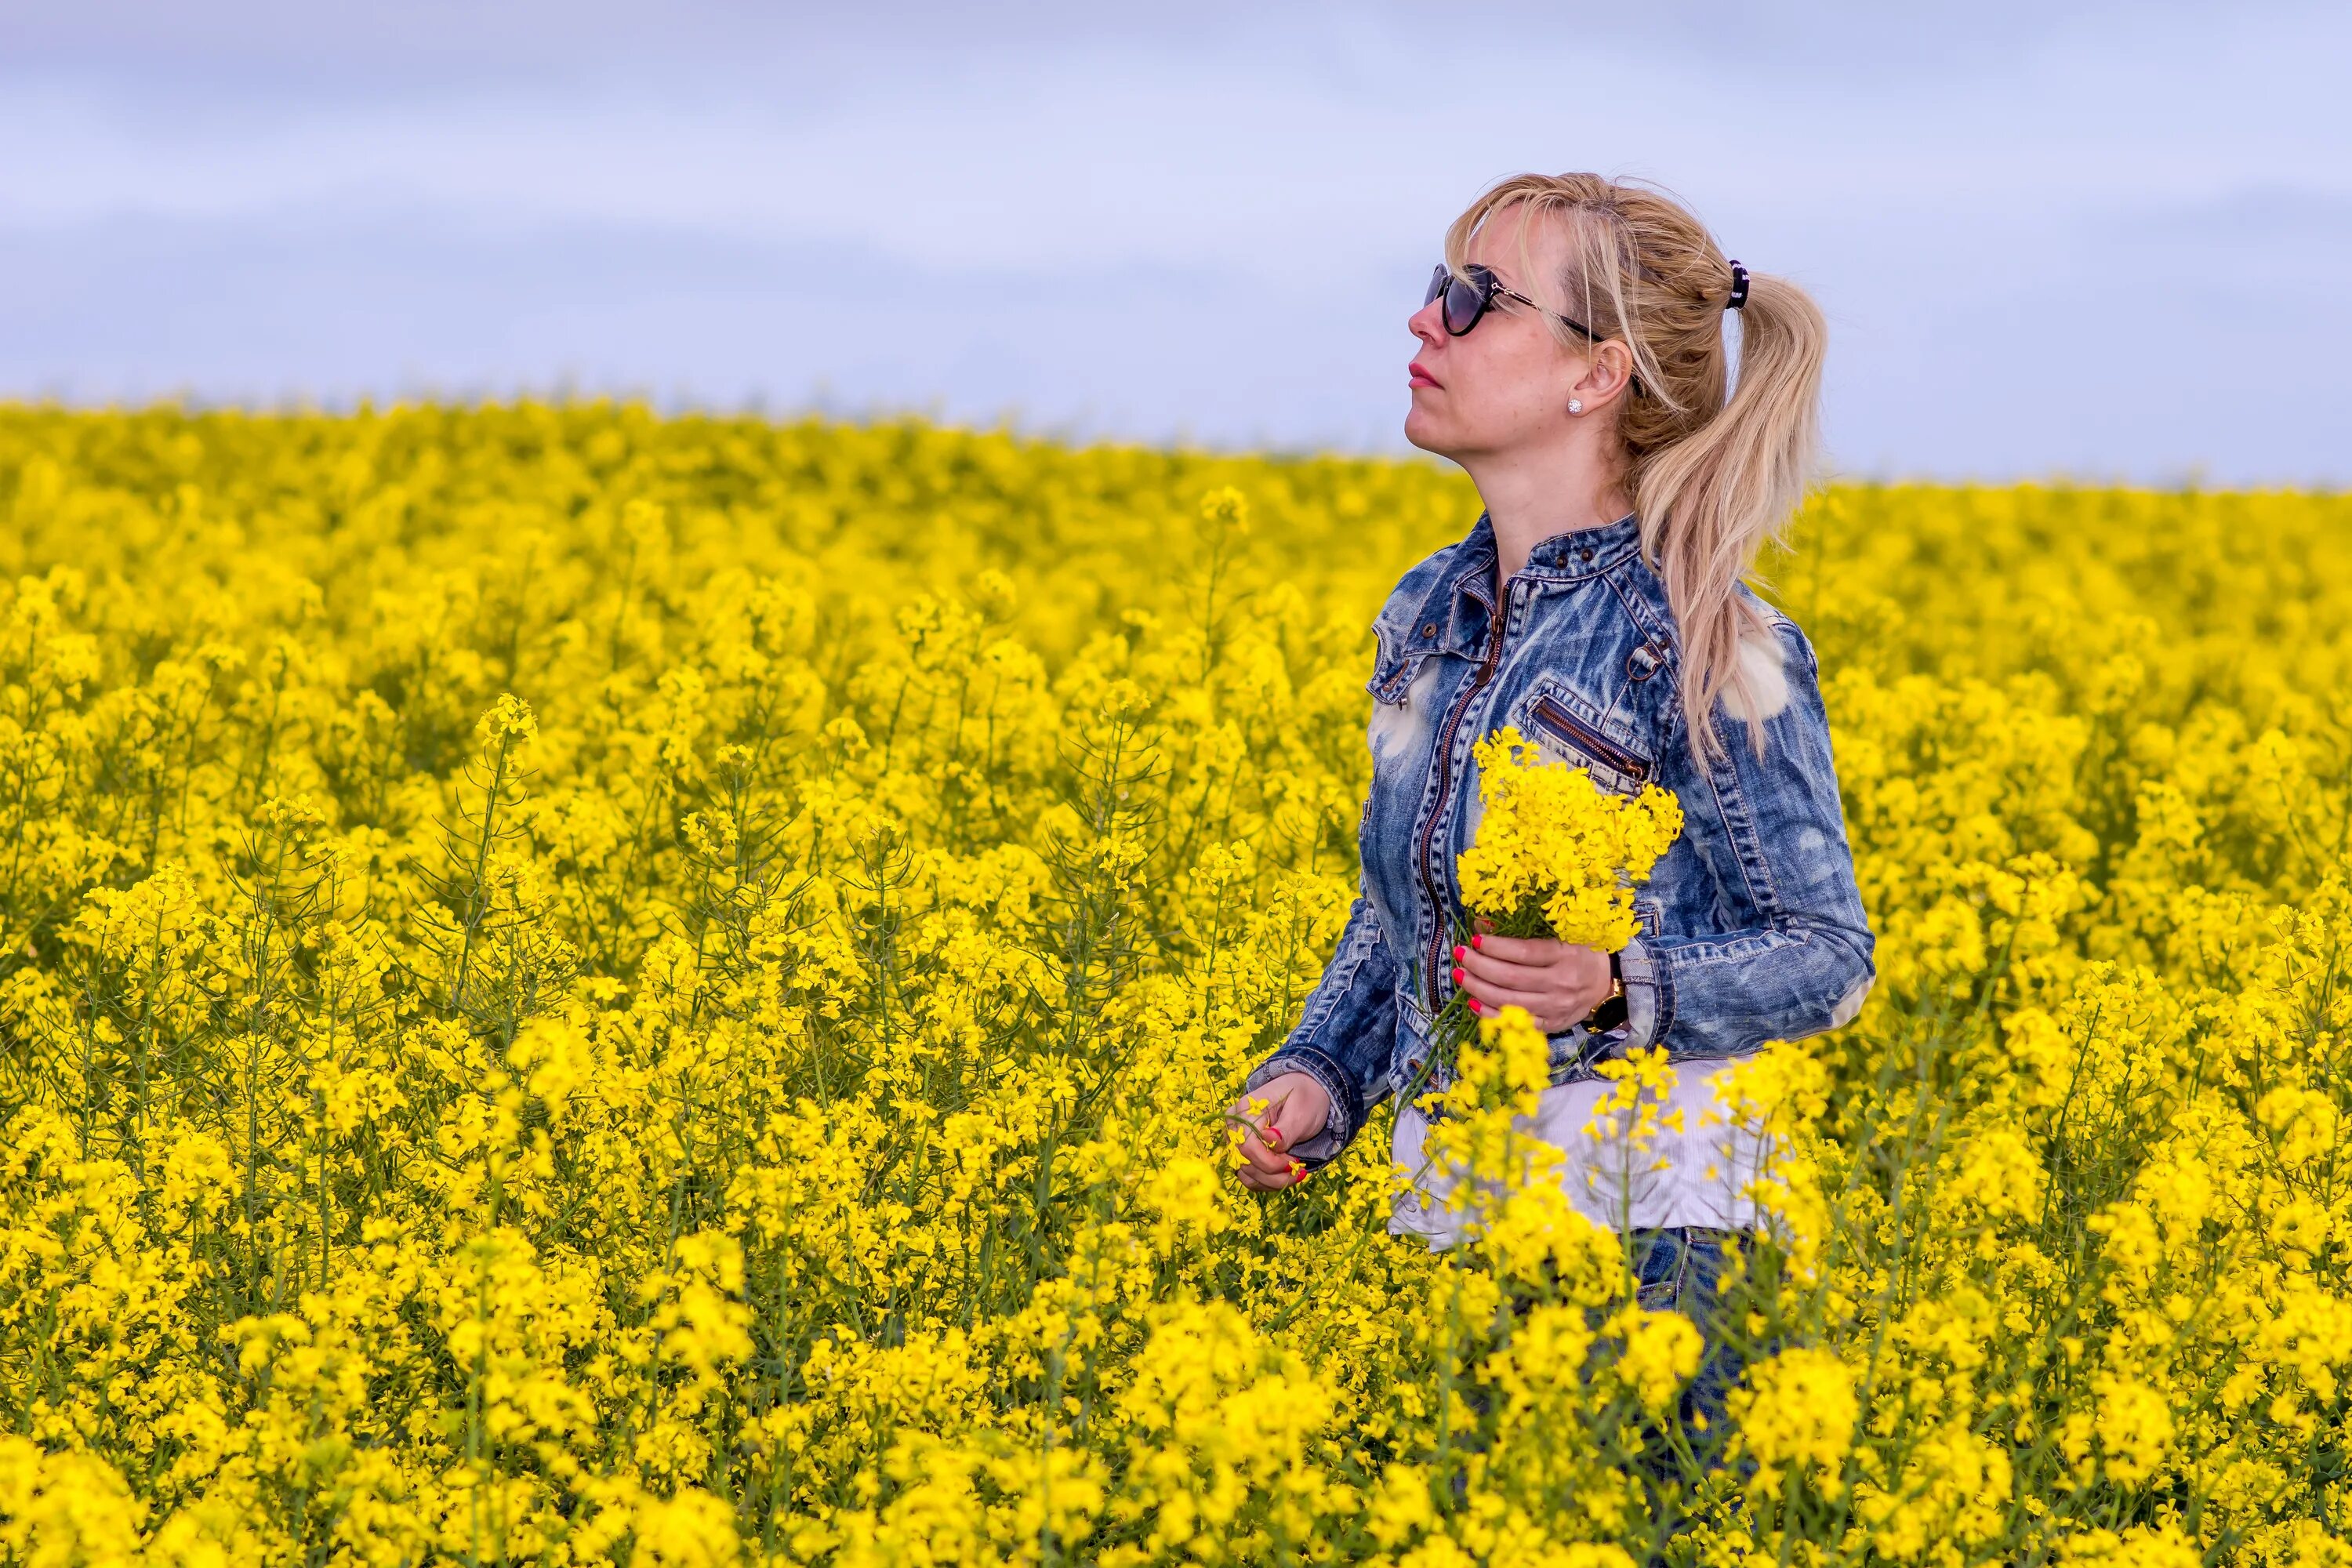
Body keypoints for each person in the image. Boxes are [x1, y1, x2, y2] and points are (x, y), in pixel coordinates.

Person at [1222, 172, 1877, 1451]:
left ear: (1598, 378)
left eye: (1476, 301)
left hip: (1655, 1235)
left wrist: (1618, 985)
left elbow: (1831, 956)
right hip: (1460, 1209)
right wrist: (1320, 1074)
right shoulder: (1431, 612)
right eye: (1434, 290)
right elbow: (1401, 909)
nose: (1426, 324)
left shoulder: (1701, 639)